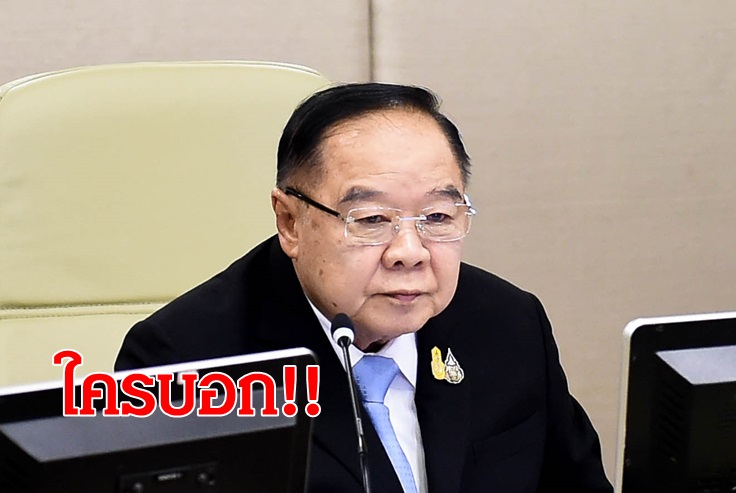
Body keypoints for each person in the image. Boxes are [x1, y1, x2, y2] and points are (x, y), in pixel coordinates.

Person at [115, 83, 613, 492]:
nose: (409, 252)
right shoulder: (187, 364)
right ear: (290, 222)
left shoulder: (507, 323)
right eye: (372, 219)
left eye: (438, 217)